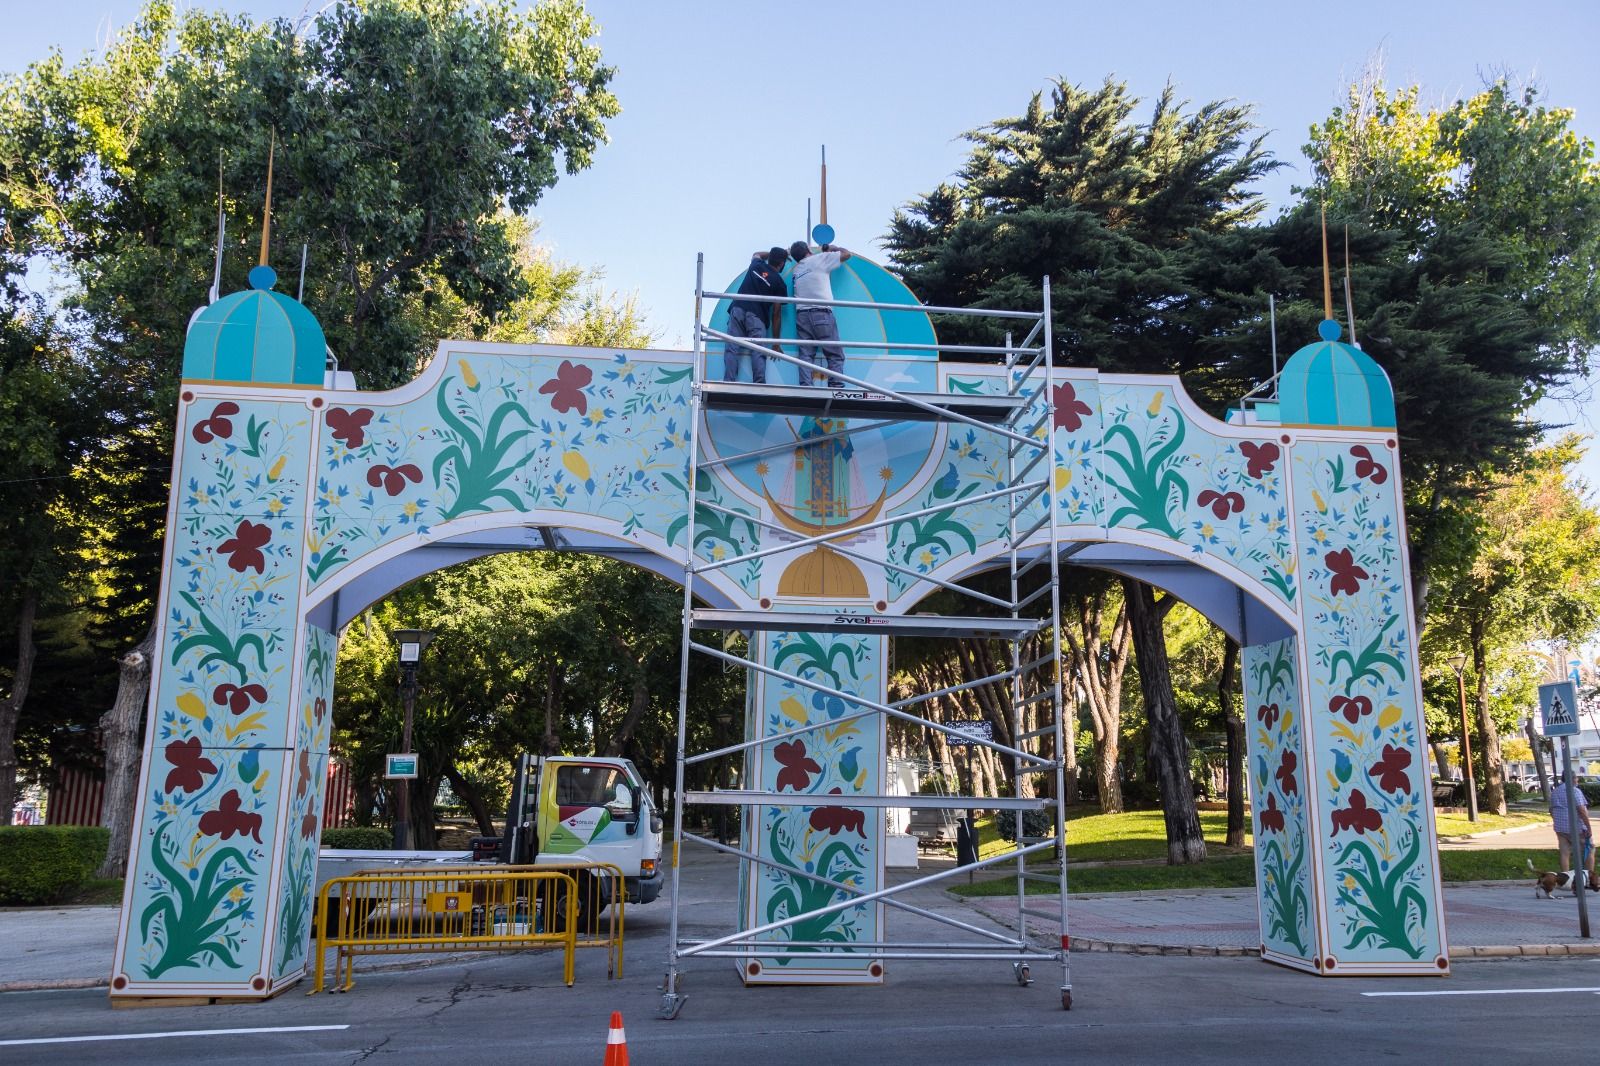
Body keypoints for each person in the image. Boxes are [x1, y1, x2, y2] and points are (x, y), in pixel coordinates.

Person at [788, 239, 852, 386]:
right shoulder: (820, 258)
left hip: (802, 315)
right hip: (821, 313)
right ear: (807, 250)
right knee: (834, 353)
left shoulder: (796, 271)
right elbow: (847, 254)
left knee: (805, 355)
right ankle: (835, 385)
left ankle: (806, 386)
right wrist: (829, 247)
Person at [723, 247, 788, 383]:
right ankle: (759, 383)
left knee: (732, 347)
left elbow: (756, 254)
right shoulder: (779, 282)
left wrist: (773, 254)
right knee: (758, 350)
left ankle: (729, 380)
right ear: (782, 263)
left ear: (770, 258)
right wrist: (776, 343)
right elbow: (776, 314)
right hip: (757, 317)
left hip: (738, 309)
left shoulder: (756, 265)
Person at [1549, 770, 1599, 889]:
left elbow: (1551, 810)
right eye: (1576, 778)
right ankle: (1588, 878)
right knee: (1590, 849)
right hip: (1577, 828)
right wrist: (1588, 827)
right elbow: (1581, 810)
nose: (1577, 780)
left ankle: (1565, 881)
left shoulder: (1555, 791)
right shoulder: (1575, 791)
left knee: (1564, 853)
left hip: (1560, 828)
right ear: (1573, 779)